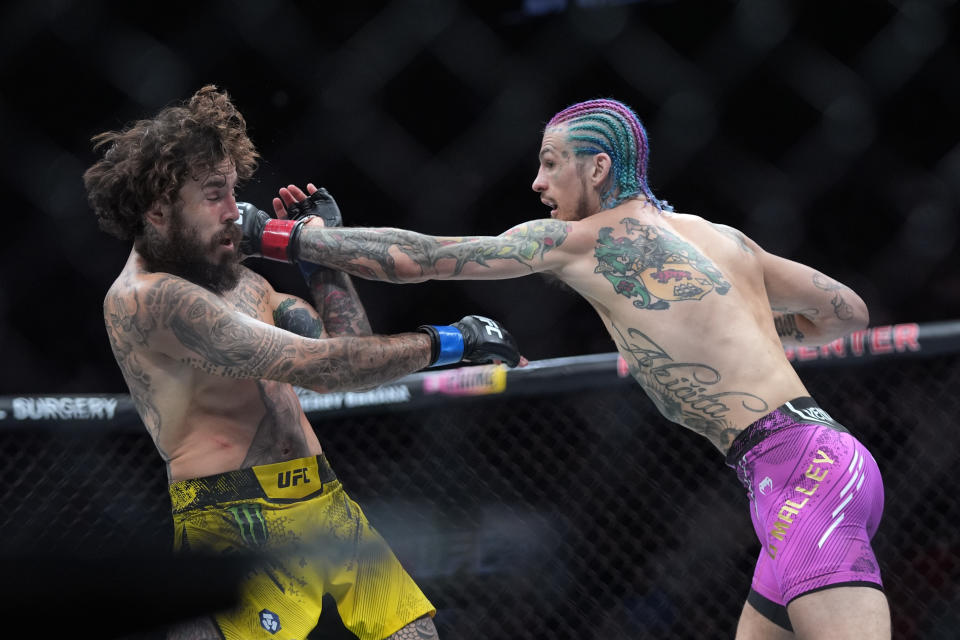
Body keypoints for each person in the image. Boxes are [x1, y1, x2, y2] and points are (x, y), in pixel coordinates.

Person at [253, 98, 891, 639]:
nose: (537, 181)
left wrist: (284, 236)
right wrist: (747, 329)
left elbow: (423, 258)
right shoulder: (719, 235)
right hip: (804, 465)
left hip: (804, 473)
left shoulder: (586, 240)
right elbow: (847, 313)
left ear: (598, 167)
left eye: (550, 164)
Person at [82, 85, 522, 640]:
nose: (234, 211)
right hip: (235, 516)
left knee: (418, 632)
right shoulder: (149, 298)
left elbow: (349, 352)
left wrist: (319, 255)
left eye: (233, 191)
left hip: (324, 497)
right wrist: (453, 339)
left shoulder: (246, 282)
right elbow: (323, 367)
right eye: (214, 194)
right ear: (159, 208)